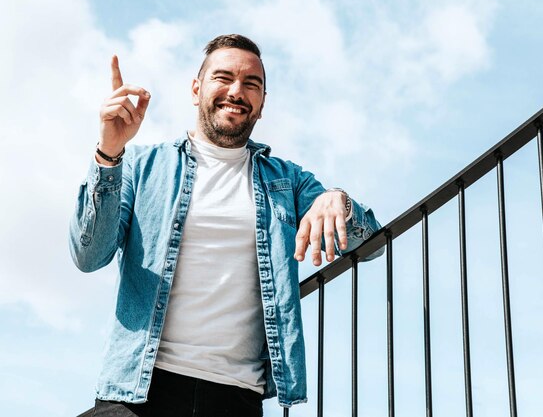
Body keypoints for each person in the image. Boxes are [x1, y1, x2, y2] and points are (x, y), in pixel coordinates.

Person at [69, 34, 381, 417]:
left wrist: (338, 200)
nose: (237, 91)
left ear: (262, 104)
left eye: (252, 84)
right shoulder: (140, 166)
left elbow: (371, 246)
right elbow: (88, 255)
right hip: (139, 391)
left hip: (236, 397)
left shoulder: (288, 182)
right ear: (197, 88)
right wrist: (108, 154)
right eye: (223, 78)